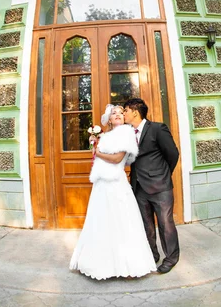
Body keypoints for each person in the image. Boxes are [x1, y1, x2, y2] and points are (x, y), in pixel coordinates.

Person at [69, 104, 157, 280]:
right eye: (113, 113)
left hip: (116, 183)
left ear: (124, 118)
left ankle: (127, 266)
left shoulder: (127, 133)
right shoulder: (105, 136)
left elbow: (117, 158)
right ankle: (98, 264)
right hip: (101, 184)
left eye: (120, 113)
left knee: (121, 220)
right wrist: (95, 145)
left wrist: (98, 153)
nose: (117, 115)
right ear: (109, 119)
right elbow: (99, 156)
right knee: (100, 221)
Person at [123, 98, 180, 274]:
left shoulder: (157, 128)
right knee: (146, 225)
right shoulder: (128, 133)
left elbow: (172, 154)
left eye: (125, 110)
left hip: (160, 186)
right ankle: (152, 255)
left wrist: (163, 175)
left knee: (165, 224)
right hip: (139, 187)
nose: (124, 114)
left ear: (134, 111)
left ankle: (171, 258)